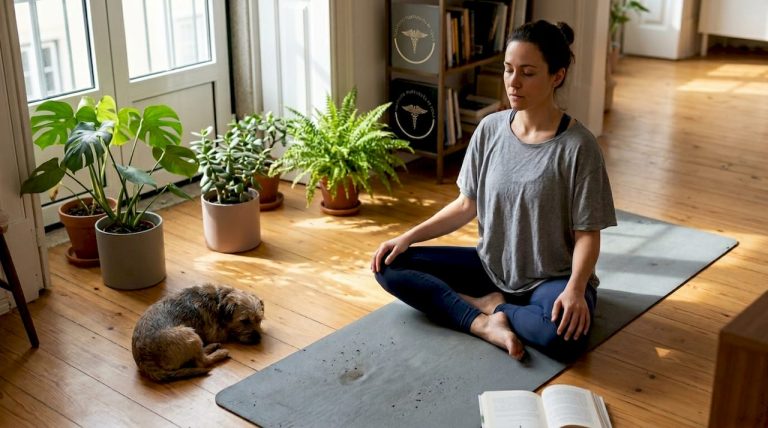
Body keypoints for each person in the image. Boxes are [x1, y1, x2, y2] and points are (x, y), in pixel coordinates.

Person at [371, 20, 616, 362]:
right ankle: (482, 322)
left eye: (527, 73)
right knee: (389, 265)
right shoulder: (490, 129)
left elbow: (587, 235)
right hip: (492, 266)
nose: (513, 82)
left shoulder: (579, 147)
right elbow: (464, 205)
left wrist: (575, 290)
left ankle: (496, 306)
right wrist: (408, 237)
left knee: (562, 338)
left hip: (552, 277)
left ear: (556, 76)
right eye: (508, 69)